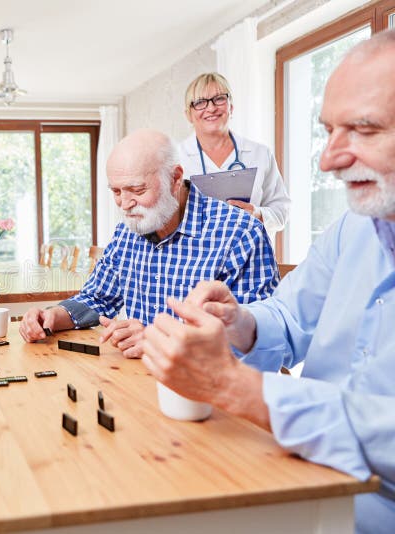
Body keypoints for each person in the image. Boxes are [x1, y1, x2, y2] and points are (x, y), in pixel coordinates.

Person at [142, 30, 395, 534]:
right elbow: (289, 313)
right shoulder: (353, 228)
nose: (327, 159)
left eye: (363, 130)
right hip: (303, 476)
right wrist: (237, 321)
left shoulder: (256, 164)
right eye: (328, 131)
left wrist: (242, 390)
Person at [19, 129, 279, 355]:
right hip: (139, 379)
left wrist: (163, 340)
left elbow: (259, 339)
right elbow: (96, 297)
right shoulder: (128, 232)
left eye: (138, 190)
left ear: (175, 179)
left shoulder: (240, 233)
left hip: (210, 391)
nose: (125, 204)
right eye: (116, 191)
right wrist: (53, 316)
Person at [178, 72, 290, 236]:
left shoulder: (260, 154)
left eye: (219, 99)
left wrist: (256, 214)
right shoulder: (175, 158)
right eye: (200, 102)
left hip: (251, 255)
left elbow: (281, 212)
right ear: (189, 114)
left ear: (231, 106)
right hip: (197, 256)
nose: (211, 108)